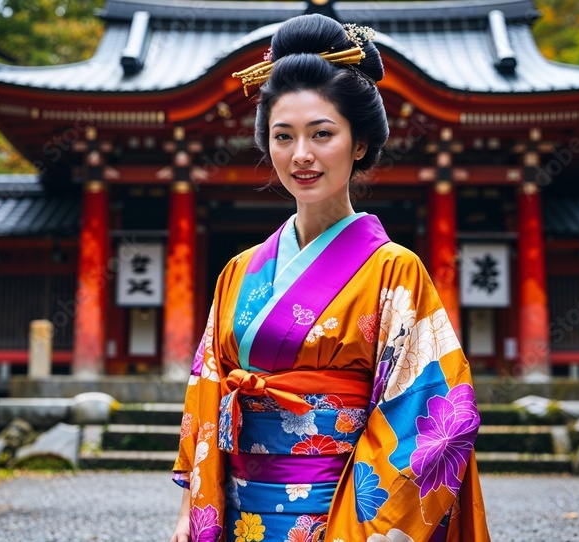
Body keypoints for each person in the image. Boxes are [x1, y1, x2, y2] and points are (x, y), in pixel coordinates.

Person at [171, 13, 489, 542]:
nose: (301, 155)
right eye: (283, 136)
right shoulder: (239, 272)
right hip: (240, 512)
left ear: (358, 143)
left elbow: (432, 414)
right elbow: (205, 393)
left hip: (345, 510)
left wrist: (367, 527)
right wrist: (191, 508)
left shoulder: (394, 270)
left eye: (322, 134)